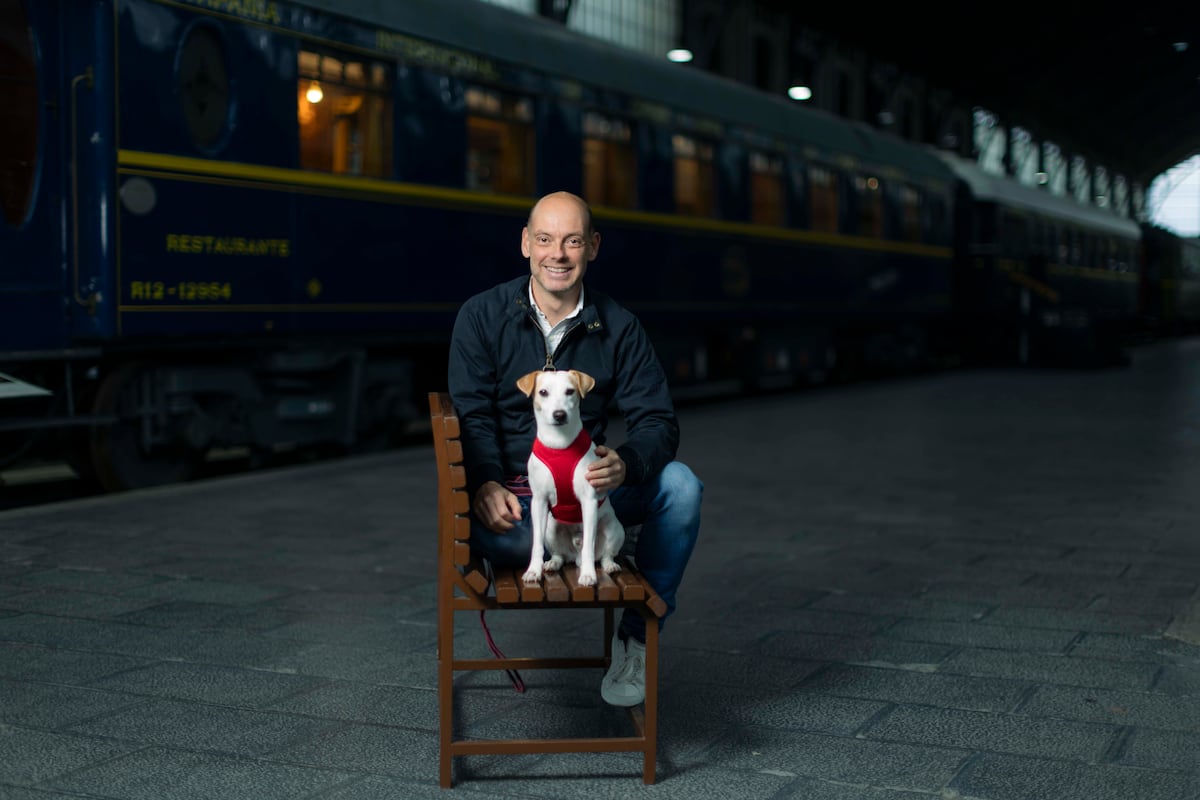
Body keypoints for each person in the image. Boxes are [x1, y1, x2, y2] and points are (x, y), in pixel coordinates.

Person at [448, 190, 703, 706]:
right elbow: (472, 416)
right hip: (518, 503)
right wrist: (486, 481)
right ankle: (597, 546)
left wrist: (625, 465)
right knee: (522, 545)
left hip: (593, 490)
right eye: (544, 239)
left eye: (571, 241)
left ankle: (634, 635)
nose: (556, 254)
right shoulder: (481, 316)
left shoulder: (620, 327)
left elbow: (657, 421)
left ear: (592, 247)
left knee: (682, 486)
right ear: (525, 243)